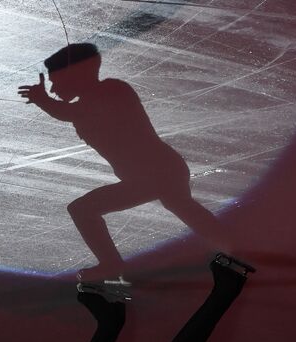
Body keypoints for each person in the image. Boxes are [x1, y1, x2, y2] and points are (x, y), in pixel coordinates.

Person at [18, 43, 231, 281]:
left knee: (82, 209)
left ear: (75, 75)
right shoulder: (96, 97)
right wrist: (45, 100)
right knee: (182, 206)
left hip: (156, 173)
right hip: (161, 171)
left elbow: (73, 113)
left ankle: (112, 265)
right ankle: (237, 247)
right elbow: (74, 112)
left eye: (55, 81)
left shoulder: (112, 90)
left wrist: (42, 100)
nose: (54, 88)